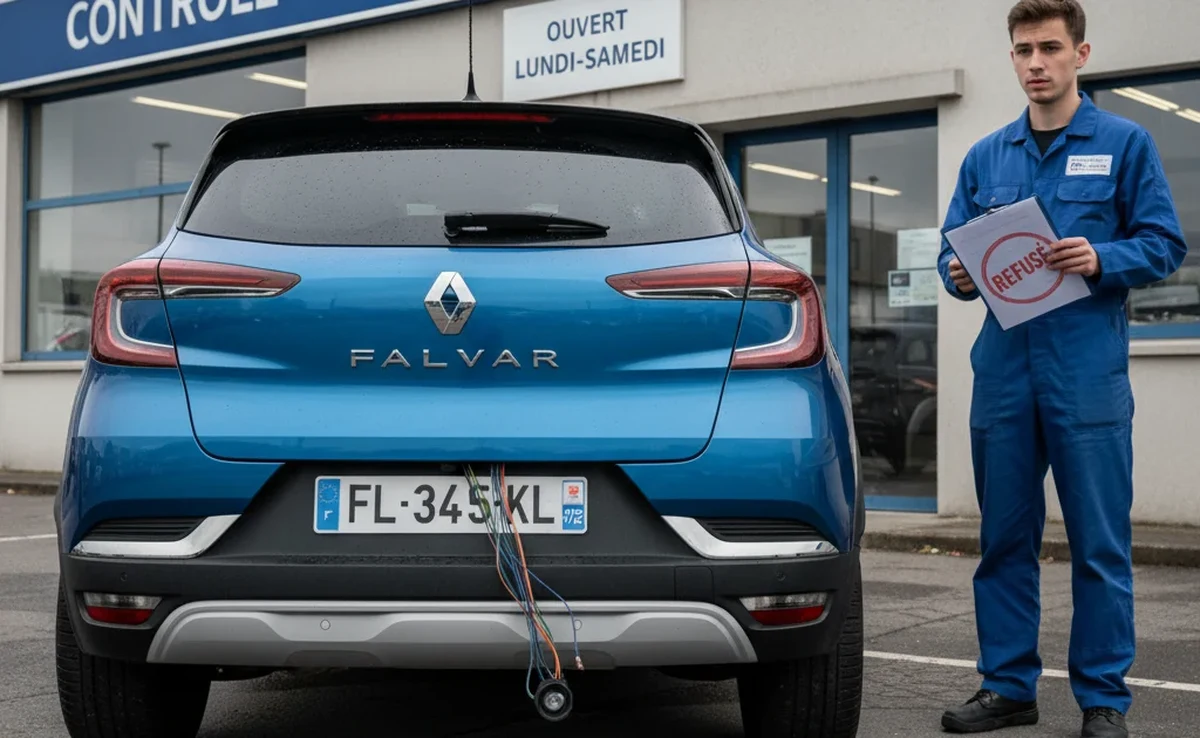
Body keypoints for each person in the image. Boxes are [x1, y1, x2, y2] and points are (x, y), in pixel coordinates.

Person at [936, 1, 1187, 737]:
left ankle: (1104, 699)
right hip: (1005, 374)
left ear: (1081, 54)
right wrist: (956, 271)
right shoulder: (986, 156)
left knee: (1099, 543)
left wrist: (1104, 257)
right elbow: (954, 255)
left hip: (1086, 374)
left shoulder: (1123, 143)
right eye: (1023, 50)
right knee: (1003, 540)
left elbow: (1165, 243)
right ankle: (1008, 687)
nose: (1036, 62)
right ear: (1012, 59)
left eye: (1050, 47)